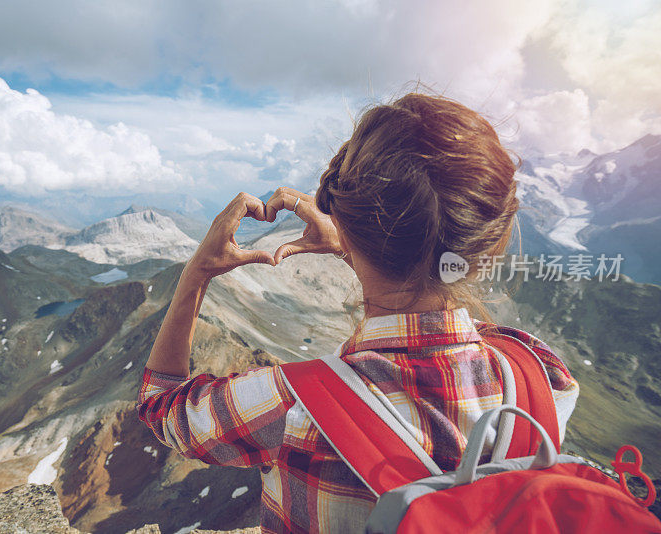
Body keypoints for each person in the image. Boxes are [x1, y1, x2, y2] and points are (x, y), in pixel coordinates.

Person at [137, 93, 580, 533]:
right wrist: (353, 244)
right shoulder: (540, 374)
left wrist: (197, 273)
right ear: (490, 244)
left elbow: (161, 407)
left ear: (348, 222)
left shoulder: (292, 408)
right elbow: (430, 330)